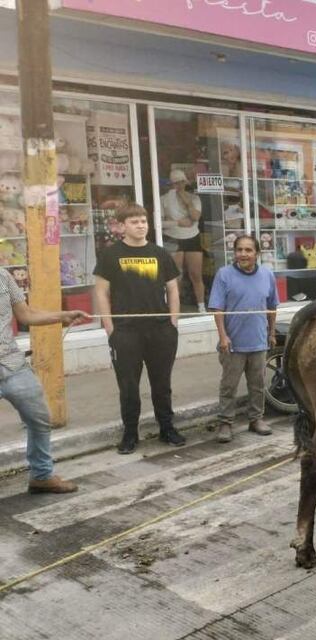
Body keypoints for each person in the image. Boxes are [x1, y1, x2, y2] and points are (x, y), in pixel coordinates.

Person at [93, 203, 187, 454]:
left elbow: (173, 289)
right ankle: (130, 433)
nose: (140, 225)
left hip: (160, 330)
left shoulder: (160, 253)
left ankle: (167, 428)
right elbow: (102, 292)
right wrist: (109, 327)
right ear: (121, 226)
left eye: (143, 221)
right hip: (126, 332)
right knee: (128, 385)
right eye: (134, 221)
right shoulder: (110, 255)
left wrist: (173, 323)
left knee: (162, 383)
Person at [0, 271, 87, 493]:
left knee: (39, 419)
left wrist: (62, 316)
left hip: (12, 365)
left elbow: (26, 314)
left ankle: (41, 475)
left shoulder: (3, 276)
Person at [209, 234, 278, 443]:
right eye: (239, 250)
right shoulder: (224, 275)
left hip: (258, 340)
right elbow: (218, 309)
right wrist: (223, 337)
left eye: (248, 250)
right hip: (233, 343)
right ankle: (225, 422)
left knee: (257, 384)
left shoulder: (267, 274)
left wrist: (272, 332)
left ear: (257, 253)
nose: (243, 254)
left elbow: (272, 306)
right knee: (229, 385)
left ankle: (256, 419)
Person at [160, 168, 207, 313]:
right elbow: (159, 223)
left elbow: (195, 217)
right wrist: (177, 223)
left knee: (196, 274)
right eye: (175, 183)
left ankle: (201, 306)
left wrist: (187, 201)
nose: (178, 185)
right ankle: (175, 308)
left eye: (181, 182)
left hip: (192, 237)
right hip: (174, 237)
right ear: (171, 184)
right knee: (176, 275)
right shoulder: (164, 199)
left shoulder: (194, 198)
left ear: (185, 182)